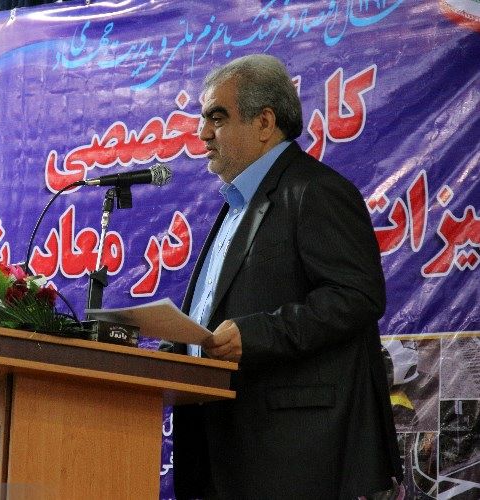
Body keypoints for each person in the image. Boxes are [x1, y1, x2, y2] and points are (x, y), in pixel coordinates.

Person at [167, 54, 404, 499]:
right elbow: (212, 315)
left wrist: (255, 335)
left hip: (297, 455)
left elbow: (357, 296)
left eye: (217, 117)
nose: (202, 133)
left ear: (264, 122)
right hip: (227, 447)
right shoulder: (238, 204)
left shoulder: (315, 190)